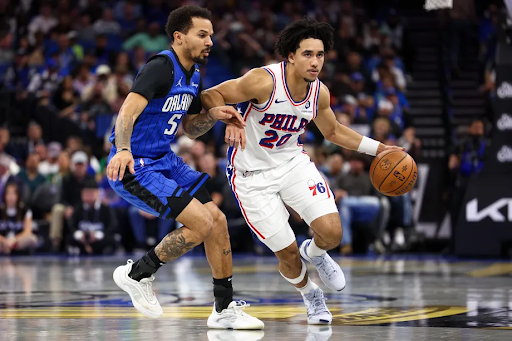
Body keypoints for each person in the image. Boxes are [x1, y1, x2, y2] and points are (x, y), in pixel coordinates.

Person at [201, 17, 402, 325]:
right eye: (307, 54)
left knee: (333, 232)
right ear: (291, 55)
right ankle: (311, 294)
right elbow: (211, 94)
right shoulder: (263, 81)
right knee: (288, 256)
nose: (315, 61)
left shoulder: (319, 93)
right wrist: (228, 119)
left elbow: (333, 131)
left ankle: (317, 252)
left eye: (320, 55)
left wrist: (379, 149)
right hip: (251, 176)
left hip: (292, 163)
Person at [106, 6, 262, 329]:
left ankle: (223, 309)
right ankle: (137, 275)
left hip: (165, 158)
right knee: (202, 223)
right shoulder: (161, 66)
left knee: (216, 219)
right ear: (179, 37)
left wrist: (214, 116)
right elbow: (126, 112)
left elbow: (190, 129)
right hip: (136, 165)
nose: (210, 42)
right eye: (202, 35)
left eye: (211, 36)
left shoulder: (193, 75)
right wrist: (122, 150)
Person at [0, 183, 38, 254]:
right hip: (3, 241)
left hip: (18, 241)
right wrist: (4, 241)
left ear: (18, 196)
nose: (11, 197)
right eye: (8, 194)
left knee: (32, 239)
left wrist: (14, 240)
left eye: (13, 194)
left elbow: (28, 231)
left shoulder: (25, 210)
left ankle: (13, 249)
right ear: (4, 196)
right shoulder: (0, 210)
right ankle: (7, 249)